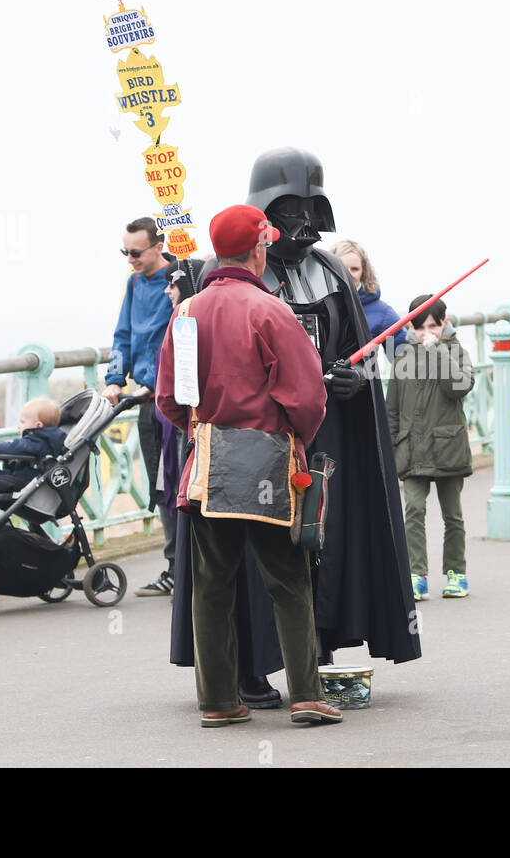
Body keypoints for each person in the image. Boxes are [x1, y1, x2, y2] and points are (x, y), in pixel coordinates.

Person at [198, 147, 421, 676]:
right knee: (257, 552)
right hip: (254, 436)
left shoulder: (328, 273)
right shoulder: (224, 283)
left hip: (321, 435)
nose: (302, 225)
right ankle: (253, 672)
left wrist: (352, 380)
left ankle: (305, 658)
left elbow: (360, 356)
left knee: (317, 540)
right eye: (288, 211)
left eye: (310, 211)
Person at [156, 203, 342, 727]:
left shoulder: (186, 311)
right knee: (288, 580)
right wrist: (295, 439)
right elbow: (307, 397)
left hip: (209, 462)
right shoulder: (271, 311)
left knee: (213, 584)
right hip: (268, 462)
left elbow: (169, 398)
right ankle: (306, 694)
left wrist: (201, 430)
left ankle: (218, 700)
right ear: (258, 248)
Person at [103, 216, 178, 597]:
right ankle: (174, 566)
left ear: (157, 246)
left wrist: (155, 382)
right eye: (125, 251)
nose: (129, 258)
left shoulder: (178, 282)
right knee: (161, 485)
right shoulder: (133, 283)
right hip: (146, 401)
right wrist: (115, 379)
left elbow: (181, 337)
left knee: (180, 482)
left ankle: (187, 566)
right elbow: (124, 335)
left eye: (135, 252)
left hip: (176, 402)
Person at [386, 295, 475, 600]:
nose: (428, 332)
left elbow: (459, 387)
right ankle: (416, 574)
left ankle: (456, 573)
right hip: (411, 448)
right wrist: (393, 449)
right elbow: (392, 410)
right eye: (421, 327)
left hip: (448, 447)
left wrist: (436, 350)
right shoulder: (402, 357)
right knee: (413, 509)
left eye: (434, 326)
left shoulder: (455, 352)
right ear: (411, 326)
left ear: (444, 323)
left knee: (453, 514)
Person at [0, 397, 66, 495]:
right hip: (32, 482)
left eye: (23, 422)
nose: (19, 426)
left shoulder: (38, 440)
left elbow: (15, 446)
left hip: (26, 483)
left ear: (38, 425)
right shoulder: (50, 440)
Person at [332, 239, 410, 349]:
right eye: (343, 268)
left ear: (363, 272)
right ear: (330, 269)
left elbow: (405, 358)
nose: (348, 275)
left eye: (355, 269)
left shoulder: (383, 313)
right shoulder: (318, 307)